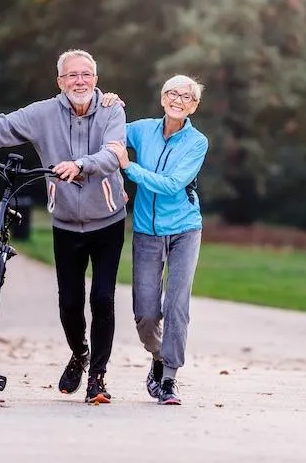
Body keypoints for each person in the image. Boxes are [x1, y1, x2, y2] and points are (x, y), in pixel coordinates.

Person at [0, 49, 128, 405]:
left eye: (86, 74)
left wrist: (81, 164)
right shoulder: (43, 113)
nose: (80, 81)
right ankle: (80, 354)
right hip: (67, 222)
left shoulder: (112, 110)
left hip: (107, 221)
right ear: (60, 82)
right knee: (70, 304)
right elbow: (3, 125)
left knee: (102, 298)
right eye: (71, 75)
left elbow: (113, 153)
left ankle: (98, 379)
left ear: (96, 79)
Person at [104, 75, 208, 405]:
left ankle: (168, 379)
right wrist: (108, 103)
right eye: (172, 93)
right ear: (163, 98)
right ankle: (159, 356)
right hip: (147, 232)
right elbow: (109, 134)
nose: (179, 99)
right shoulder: (142, 129)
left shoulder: (197, 142)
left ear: (194, 106)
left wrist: (128, 168)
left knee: (176, 306)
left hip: (185, 230)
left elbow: (172, 184)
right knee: (146, 314)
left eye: (187, 96)